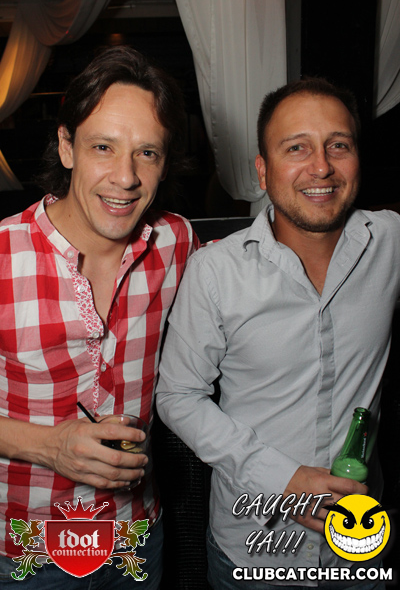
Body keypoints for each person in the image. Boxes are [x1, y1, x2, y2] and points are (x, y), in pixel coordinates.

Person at [156, 78, 400, 588]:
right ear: (263, 171)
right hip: (253, 548)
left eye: (338, 145)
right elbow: (178, 396)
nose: (321, 167)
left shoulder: (390, 242)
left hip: (360, 545)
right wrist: (282, 479)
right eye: (297, 148)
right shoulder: (215, 271)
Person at [0, 45, 199, 588]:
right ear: (67, 147)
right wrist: (48, 446)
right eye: (104, 147)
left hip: (136, 539)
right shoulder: (2, 255)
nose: (125, 177)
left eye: (147, 153)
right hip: (23, 551)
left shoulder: (177, 244)